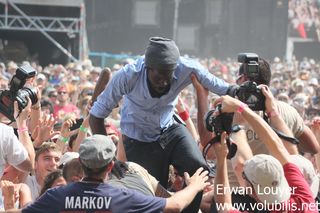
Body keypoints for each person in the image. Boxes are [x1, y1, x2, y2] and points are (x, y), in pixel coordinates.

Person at [89, 37, 231, 211]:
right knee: (150, 195)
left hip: (169, 130)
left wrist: (240, 91)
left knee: (198, 167)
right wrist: (109, 157)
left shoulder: (187, 67)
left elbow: (221, 87)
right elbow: (96, 116)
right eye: (158, 76)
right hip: (139, 141)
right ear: (147, 69)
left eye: (168, 75)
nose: (164, 82)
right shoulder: (128, 75)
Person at [8, 134, 210, 213]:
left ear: (81, 163)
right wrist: (194, 185)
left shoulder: (57, 195)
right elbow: (175, 205)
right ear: (111, 167)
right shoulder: (124, 197)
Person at [212, 87, 317, 213]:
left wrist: (221, 157)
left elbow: (224, 204)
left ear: (252, 191)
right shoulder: (304, 202)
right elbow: (279, 147)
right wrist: (271, 112)